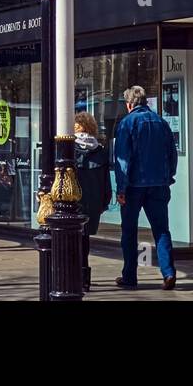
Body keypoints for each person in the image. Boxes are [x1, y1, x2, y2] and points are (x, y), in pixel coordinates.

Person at [113, 85, 178, 290]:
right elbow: (172, 153)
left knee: (129, 231)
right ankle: (168, 272)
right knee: (161, 230)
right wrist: (169, 177)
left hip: (134, 186)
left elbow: (123, 159)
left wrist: (121, 188)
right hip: (159, 184)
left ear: (129, 104)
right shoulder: (161, 122)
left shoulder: (127, 123)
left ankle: (130, 275)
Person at [73, 111, 113, 291]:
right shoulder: (100, 150)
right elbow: (106, 181)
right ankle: (84, 277)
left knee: (70, 238)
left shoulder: (69, 148)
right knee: (85, 238)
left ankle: (75, 276)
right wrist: (104, 201)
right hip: (93, 201)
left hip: (74, 200)